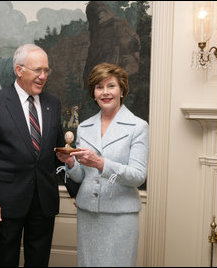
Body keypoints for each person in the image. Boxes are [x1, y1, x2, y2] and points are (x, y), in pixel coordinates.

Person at [0, 43, 65, 267]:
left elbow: (58, 152)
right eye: (38, 70)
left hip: (43, 202)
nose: (43, 76)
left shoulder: (53, 104)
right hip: (5, 204)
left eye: (46, 70)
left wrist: (76, 185)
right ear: (19, 70)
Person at [56, 62, 149, 267]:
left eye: (111, 86)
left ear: (122, 90)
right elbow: (82, 176)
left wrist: (101, 163)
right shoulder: (85, 127)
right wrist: (71, 163)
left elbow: (138, 175)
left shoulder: (138, 127)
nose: (105, 92)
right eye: (99, 87)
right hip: (88, 213)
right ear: (94, 93)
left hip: (121, 216)